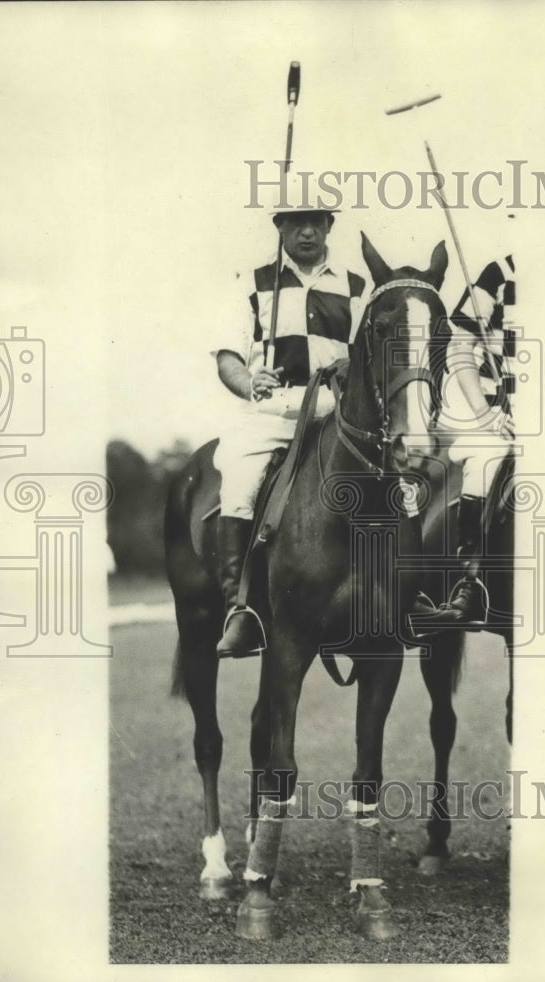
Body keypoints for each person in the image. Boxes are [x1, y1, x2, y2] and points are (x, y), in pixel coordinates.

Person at [211, 181, 366, 658]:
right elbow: (228, 358)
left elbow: (369, 357)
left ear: (328, 227)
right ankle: (242, 610)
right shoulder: (254, 283)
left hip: (339, 415)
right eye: (294, 222)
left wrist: (352, 369)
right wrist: (248, 382)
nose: (306, 232)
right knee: (236, 472)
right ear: (278, 227)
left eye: (315, 222)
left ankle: (406, 590)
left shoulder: (357, 287)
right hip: (276, 412)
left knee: (400, 476)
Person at [414, 253, 516, 631]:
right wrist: (485, 412)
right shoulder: (500, 273)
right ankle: (472, 585)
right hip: (507, 418)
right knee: (485, 461)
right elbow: (460, 348)